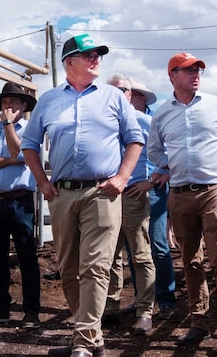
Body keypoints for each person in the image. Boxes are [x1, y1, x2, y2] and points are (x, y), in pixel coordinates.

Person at [21, 33, 143, 357]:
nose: (96, 59)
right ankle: (91, 339)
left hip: (102, 192)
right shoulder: (48, 101)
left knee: (96, 267)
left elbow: (135, 140)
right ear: (68, 62)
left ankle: (83, 344)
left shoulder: (114, 98)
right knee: (69, 268)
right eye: (88, 54)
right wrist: (42, 182)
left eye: (98, 55)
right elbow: (29, 144)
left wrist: (122, 177)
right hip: (61, 194)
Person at [147, 53, 217, 355]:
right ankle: (199, 321)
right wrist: (173, 164)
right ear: (172, 76)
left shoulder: (215, 105)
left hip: (214, 190)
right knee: (190, 260)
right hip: (179, 194)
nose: (195, 75)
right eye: (188, 71)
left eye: (198, 70)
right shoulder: (163, 114)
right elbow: (154, 151)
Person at [0, 82, 41, 329]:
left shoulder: (30, 130)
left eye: (13, 102)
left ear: (23, 106)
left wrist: (9, 127)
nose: (8, 106)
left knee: (27, 256)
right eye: (4, 102)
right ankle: (0, 306)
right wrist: (8, 161)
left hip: (20, 201)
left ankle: (31, 311)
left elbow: (21, 153)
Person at [103, 75, 156, 336]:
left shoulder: (144, 121)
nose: (115, 93)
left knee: (140, 253)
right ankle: (110, 306)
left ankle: (145, 311)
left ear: (129, 93)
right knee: (109, 253)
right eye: (110, 88)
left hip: (133, 194)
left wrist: (151, 182)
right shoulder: (102, 122)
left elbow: (167, 155)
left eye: (121, 89)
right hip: (106, 194)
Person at [128, 77, 177, 322]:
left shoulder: (150, 122)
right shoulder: (125, 122)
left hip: (151, 187)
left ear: (140, 98)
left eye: (129, 93)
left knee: (157, 244)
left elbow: (168, 155)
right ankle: (143, 301)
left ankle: (166, 299)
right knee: (135, 246)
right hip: (132, 188)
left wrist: (152, 181)